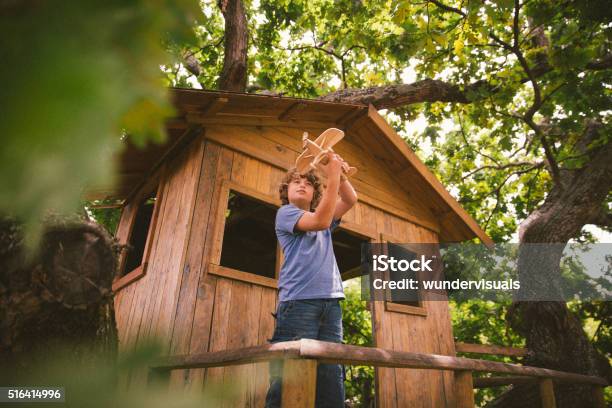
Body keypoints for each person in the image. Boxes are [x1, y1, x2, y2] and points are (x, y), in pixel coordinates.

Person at [264, 151, 358, 408]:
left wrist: (339, 172)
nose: (303, 184)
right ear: (286, 191)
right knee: (289, 376)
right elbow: (320, 219)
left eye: (308, 182)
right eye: (296, 181)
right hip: (299, 304)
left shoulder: (324, 218)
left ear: (316, 193)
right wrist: (333, 174)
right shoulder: (286, 214)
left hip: (331, 305)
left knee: (331, 378)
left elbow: (350, 199)